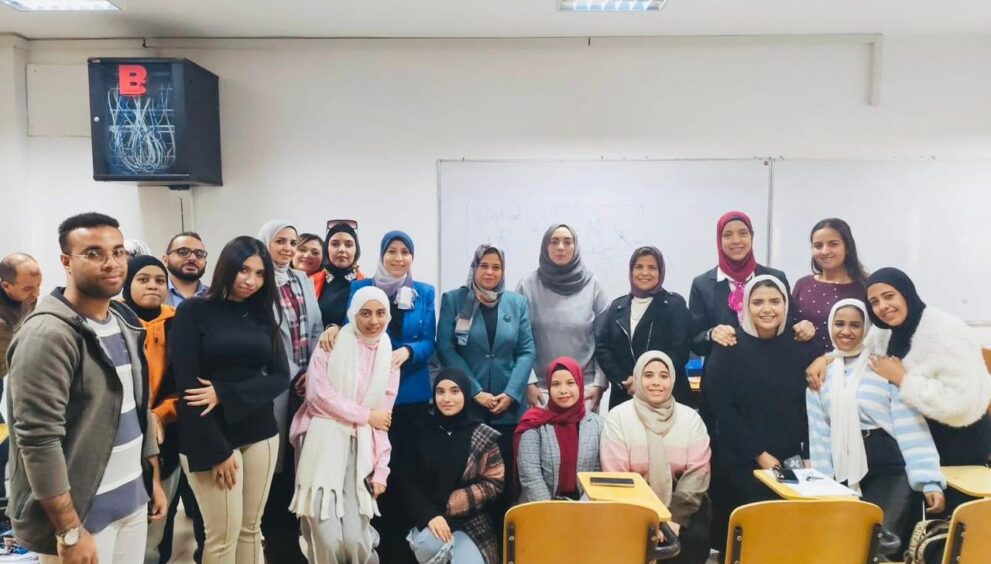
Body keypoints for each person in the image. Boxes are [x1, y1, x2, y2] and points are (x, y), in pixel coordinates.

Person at [6, 212, 167, 562]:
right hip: (82, 516)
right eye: (93, 253)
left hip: (131, 501)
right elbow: (38, 440)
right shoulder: (47, 334)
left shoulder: (124, 321)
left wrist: (151, 478)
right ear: (66, 261)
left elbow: (138, 409)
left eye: (118, 252)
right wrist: (69, 529)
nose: (111, 263)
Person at [170, 235, 290, 564]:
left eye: (260, 273)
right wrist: (217, 450)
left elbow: (281, 377)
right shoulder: (194, 310)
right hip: (210, 435)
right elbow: (188, 391)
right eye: (243, 270)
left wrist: (224, 393)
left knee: (251, 529)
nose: (251, 281)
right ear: (227, 267)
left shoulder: (262, 314)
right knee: (222, 537)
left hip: (261, 432)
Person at [806, 299, 945, 550]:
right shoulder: (820, 375)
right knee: (846, 545)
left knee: (880, 543)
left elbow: (911, 428)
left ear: (867, 329)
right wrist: (823, 487)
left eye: (855, 325)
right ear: (830, 326)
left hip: (889, 466)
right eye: (839, 324)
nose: (846, 331)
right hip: (842, 468)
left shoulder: (883, 367)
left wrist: (929, 480)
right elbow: (819, 438)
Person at [289, 286, 400, 563]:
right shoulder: (332, 343)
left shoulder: (389, 358)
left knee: (355, 539)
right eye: (365, 313)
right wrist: (365, 415)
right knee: (327, 536)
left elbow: (382, 419)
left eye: (380, 313)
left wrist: (381, 470)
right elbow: (317, 397)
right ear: (353, 313)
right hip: (320, 443)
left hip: (361, 449)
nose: (374, 321)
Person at [436, 244, 535, 522]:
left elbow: (526, 350)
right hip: (468, 408)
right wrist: (475, 391)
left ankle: (502, 539)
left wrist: (512, 393)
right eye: (484, 266)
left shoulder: (517, 303)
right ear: (474, 267)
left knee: (503, 482)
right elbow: (446, 349)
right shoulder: (455, 300)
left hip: (507, 410)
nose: (490, 272)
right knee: (467, 479)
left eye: (496, 267)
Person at [705, 276, 817, 516]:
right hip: (742, 459)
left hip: (792, 459)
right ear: (746, 306)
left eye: (775, 301)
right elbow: (723, 411)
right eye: (758, 302)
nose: (767, 309)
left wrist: (807, 454)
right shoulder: (728, 347)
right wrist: (760, 455)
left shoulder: (800, 345)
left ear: (786, 304)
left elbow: (810, 407)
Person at [600, 351, 711, 564]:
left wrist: (675, 518)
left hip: (682, 502)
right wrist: (650, 521)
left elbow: (698, 472)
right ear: (637, 378)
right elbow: (617, 477)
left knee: (696, 537)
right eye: (648, 375)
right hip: (633, 505)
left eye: (664, 376)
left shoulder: (690, 418)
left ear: (673, 380)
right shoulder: (619, 417)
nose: (656, 382)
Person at [257, 220, 324, 564]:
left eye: (292, 242)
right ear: (265, 243)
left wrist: (312, 370)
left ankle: (296, 545)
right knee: (274, 468)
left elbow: (316, 328)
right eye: (280, 241)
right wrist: (290, 372)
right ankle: (277, 546)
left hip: (306, 386)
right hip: (272, 388)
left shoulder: (301, 280)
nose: (287, 248)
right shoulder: (257, 281)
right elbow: (259, 337)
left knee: (301, 465)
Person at [396, 368, 505, 564]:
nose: (447, 399)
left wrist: (452, 503)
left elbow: (494, 482)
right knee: (426, 544)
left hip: (471, 521)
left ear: (465, 394)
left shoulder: (482, 434)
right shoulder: (419, 430)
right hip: (428, 518)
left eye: (455, 391)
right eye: (440, 392)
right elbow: (406, 480)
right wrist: (430, 515)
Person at [118, 256, 183, 564]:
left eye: (159, 280)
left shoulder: (177, 322)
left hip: (167, 429)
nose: (153, 286)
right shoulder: (113, 319)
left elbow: (186, 380)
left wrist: (162, 413)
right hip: (123, 432)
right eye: (143, 279)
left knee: (160, 516)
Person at [516, 224, 609, 411]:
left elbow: (605, 340)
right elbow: (517, 339)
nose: (560, 247)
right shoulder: (527, 286)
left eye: (567, 242)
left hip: (584, 388)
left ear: (575, 247)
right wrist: (528, 382)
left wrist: (600, 384)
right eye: (554, 241)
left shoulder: (593, 285)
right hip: (540, 390)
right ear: (546, 246)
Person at [596, 246, 692, 408]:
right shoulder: (617, 307)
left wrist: (646, 381)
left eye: (652, 268)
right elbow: (603, 348)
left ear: (661, 272)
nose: (645, 273)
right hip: (626, 396)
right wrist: (624, 379)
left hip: (666, 396)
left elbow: (680, 351)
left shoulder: (674, 305)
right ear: (631, 271)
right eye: (639, 267)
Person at [514, 357, 603, 503]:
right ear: (548, 387)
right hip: (541, 506)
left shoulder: (598, 425)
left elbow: (599, 475)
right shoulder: (533, 422)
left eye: (570, 383)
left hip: (586, 508)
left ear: (580, 384)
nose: (563, 390)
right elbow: (530, 476)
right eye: (556, 384)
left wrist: (581, 510)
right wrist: (552, 512)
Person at [792, 218, 869, 354]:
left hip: (850, 365)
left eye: (833, 244)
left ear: (847, 247)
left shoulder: (865, 287)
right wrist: (798, 328)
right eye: (818, 246)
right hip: (802, 363)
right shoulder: (803, 284)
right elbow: (788, 324)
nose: (824, 251)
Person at [314, 220, 365, 329]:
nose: (342, 249)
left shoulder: (366, 285)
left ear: (356, 250)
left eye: (349, 245)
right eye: (335, 244)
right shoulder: (311, 282)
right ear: (326, 248)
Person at [0, 253, 41, 377]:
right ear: (6, 286)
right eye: (28, 288)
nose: (36, 294)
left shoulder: (28, 297)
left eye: (38, 285)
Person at [163, 231, 210, 307]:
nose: (193, 258)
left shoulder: (217, 297)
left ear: (205, 262)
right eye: (183, 252)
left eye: (199, 254)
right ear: (166, 260)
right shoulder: (153, 293)